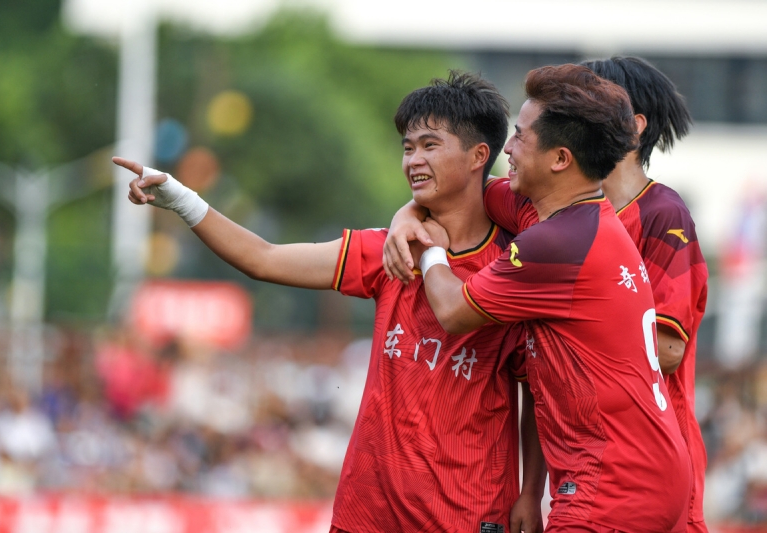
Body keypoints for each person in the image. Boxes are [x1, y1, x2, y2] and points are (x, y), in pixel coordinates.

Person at [115, 72, 546, 533]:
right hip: (367, 514)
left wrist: (530, 493)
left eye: (430, 145)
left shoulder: (515, 266)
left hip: (467, 514)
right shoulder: (387, 250)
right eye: (407, 147)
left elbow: (536, 394)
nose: (413, 160)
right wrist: (181, 198)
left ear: (480, 155)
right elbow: (264, 258)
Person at [385, 57, 709, 532]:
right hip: (631, 462)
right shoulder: (576, 215)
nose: (507, 149)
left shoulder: (574, 236)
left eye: (520, 136)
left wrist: (431, 249)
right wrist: (407, 214)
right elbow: (462, 192)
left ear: (562, 157)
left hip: (615, 473)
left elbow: (453, 311)